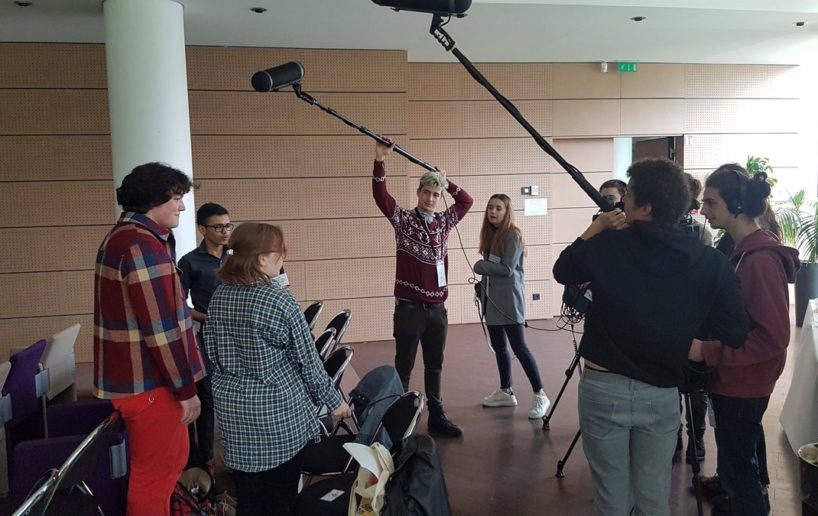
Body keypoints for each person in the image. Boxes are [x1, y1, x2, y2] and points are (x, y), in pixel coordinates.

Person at [552, 158, 749, 516]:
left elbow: (563, 270)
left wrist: (596, 228)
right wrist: (689, 335)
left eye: (627, 195)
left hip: (604, 387)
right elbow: (735, 330)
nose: (621, 202)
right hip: (662, 392)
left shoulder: (607, 245)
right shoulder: (710, 261)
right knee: (654, 498)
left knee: (610, 499)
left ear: (645, 208)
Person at [203, 223, 351, 515]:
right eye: (280, 253)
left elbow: (212, 353)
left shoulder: (220, 295)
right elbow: (308, 361)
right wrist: (335, 402)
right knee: (281, 495)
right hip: (277, 415)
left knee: (249, 494)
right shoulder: (278, 299)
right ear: (262, 259)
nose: (282, 258)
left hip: (234, 413)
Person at [93, 162, 205, 516]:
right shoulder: (141, 245)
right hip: (152, 384)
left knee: (160, 470)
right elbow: (163, 330)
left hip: (142, 381)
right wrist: (186, 390)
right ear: (153, 200)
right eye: (176, 198)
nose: (182, 207)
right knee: (157, 475)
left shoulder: (125, 237)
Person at [690, 164, 799, 516]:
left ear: (736, 206)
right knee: (739, 459)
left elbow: (773, 338)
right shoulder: (745, 252)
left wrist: (707, 350)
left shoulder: (760, 261)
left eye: (711, 202)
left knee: (740, 472)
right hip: (739, 380)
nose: (703, 210)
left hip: (743, 383)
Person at [372, 141, 474, 438]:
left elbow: (466, 201)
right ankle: (397, 420)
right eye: (427, 192)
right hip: (410, 309)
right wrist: (380, 160)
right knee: (403, 366)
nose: (431, 198)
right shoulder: (403, 220)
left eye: (436, 194)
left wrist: (446, 180)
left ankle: (437, 415)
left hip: (437, 310)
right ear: (418, 193)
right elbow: (380, 196)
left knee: (435, 365)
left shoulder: (444, 221)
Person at [475, 194, 550, 418]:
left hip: (510, 301)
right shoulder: (491, 234)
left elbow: (507, 269)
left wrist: (481, 266)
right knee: (499, 347)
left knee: (520, 347)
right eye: (490, 207)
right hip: (491, 301)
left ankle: (540, 394)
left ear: (507, 212)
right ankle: (506, 391)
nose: (493, 212)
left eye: (498, 208)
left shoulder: (513, 235)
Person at [178, 202, 233, 471]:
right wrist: (208, 318)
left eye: (228, 225)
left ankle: (239, 453)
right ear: (202, 229)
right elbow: (179, 306)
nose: (225, 232)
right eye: (218, 227)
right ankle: (206, 459)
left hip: (240, 337)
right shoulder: (189, 262)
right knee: (208, 396)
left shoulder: (237, 258)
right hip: (208, 337)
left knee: (237, 395)